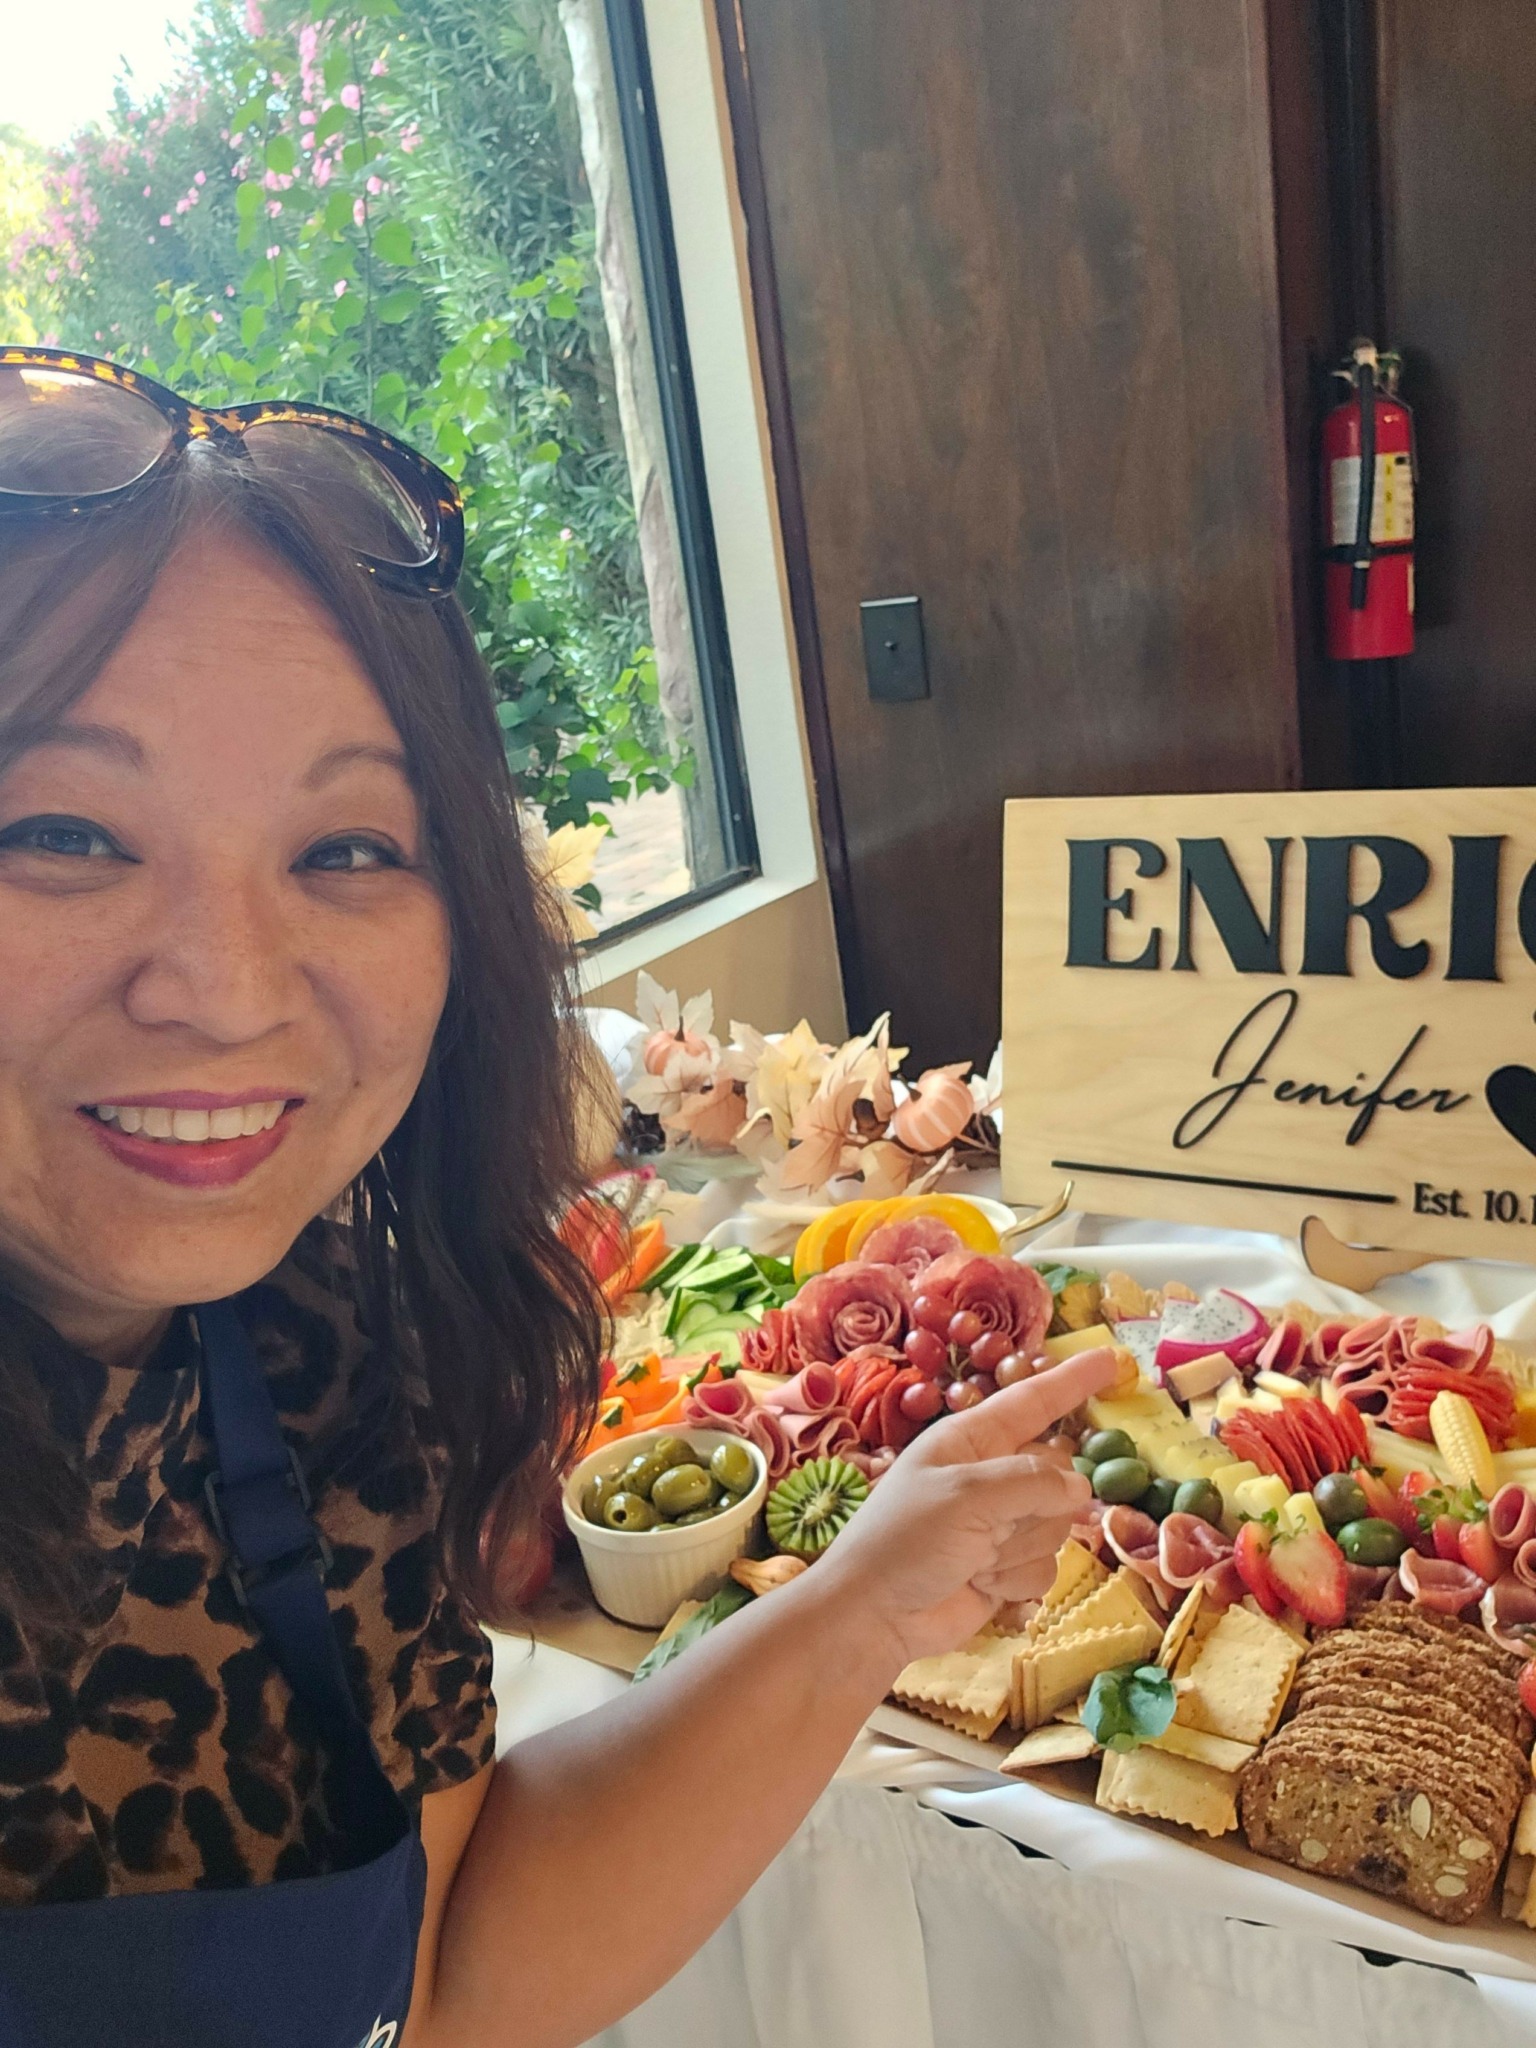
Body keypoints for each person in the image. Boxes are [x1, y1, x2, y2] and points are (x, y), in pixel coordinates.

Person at [0, 347, 1110, 2048]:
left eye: (347, 848)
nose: (226, 990)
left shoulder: (322, 1353)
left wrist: (866, 1608)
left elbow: (451, 1974)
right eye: (67, 832)